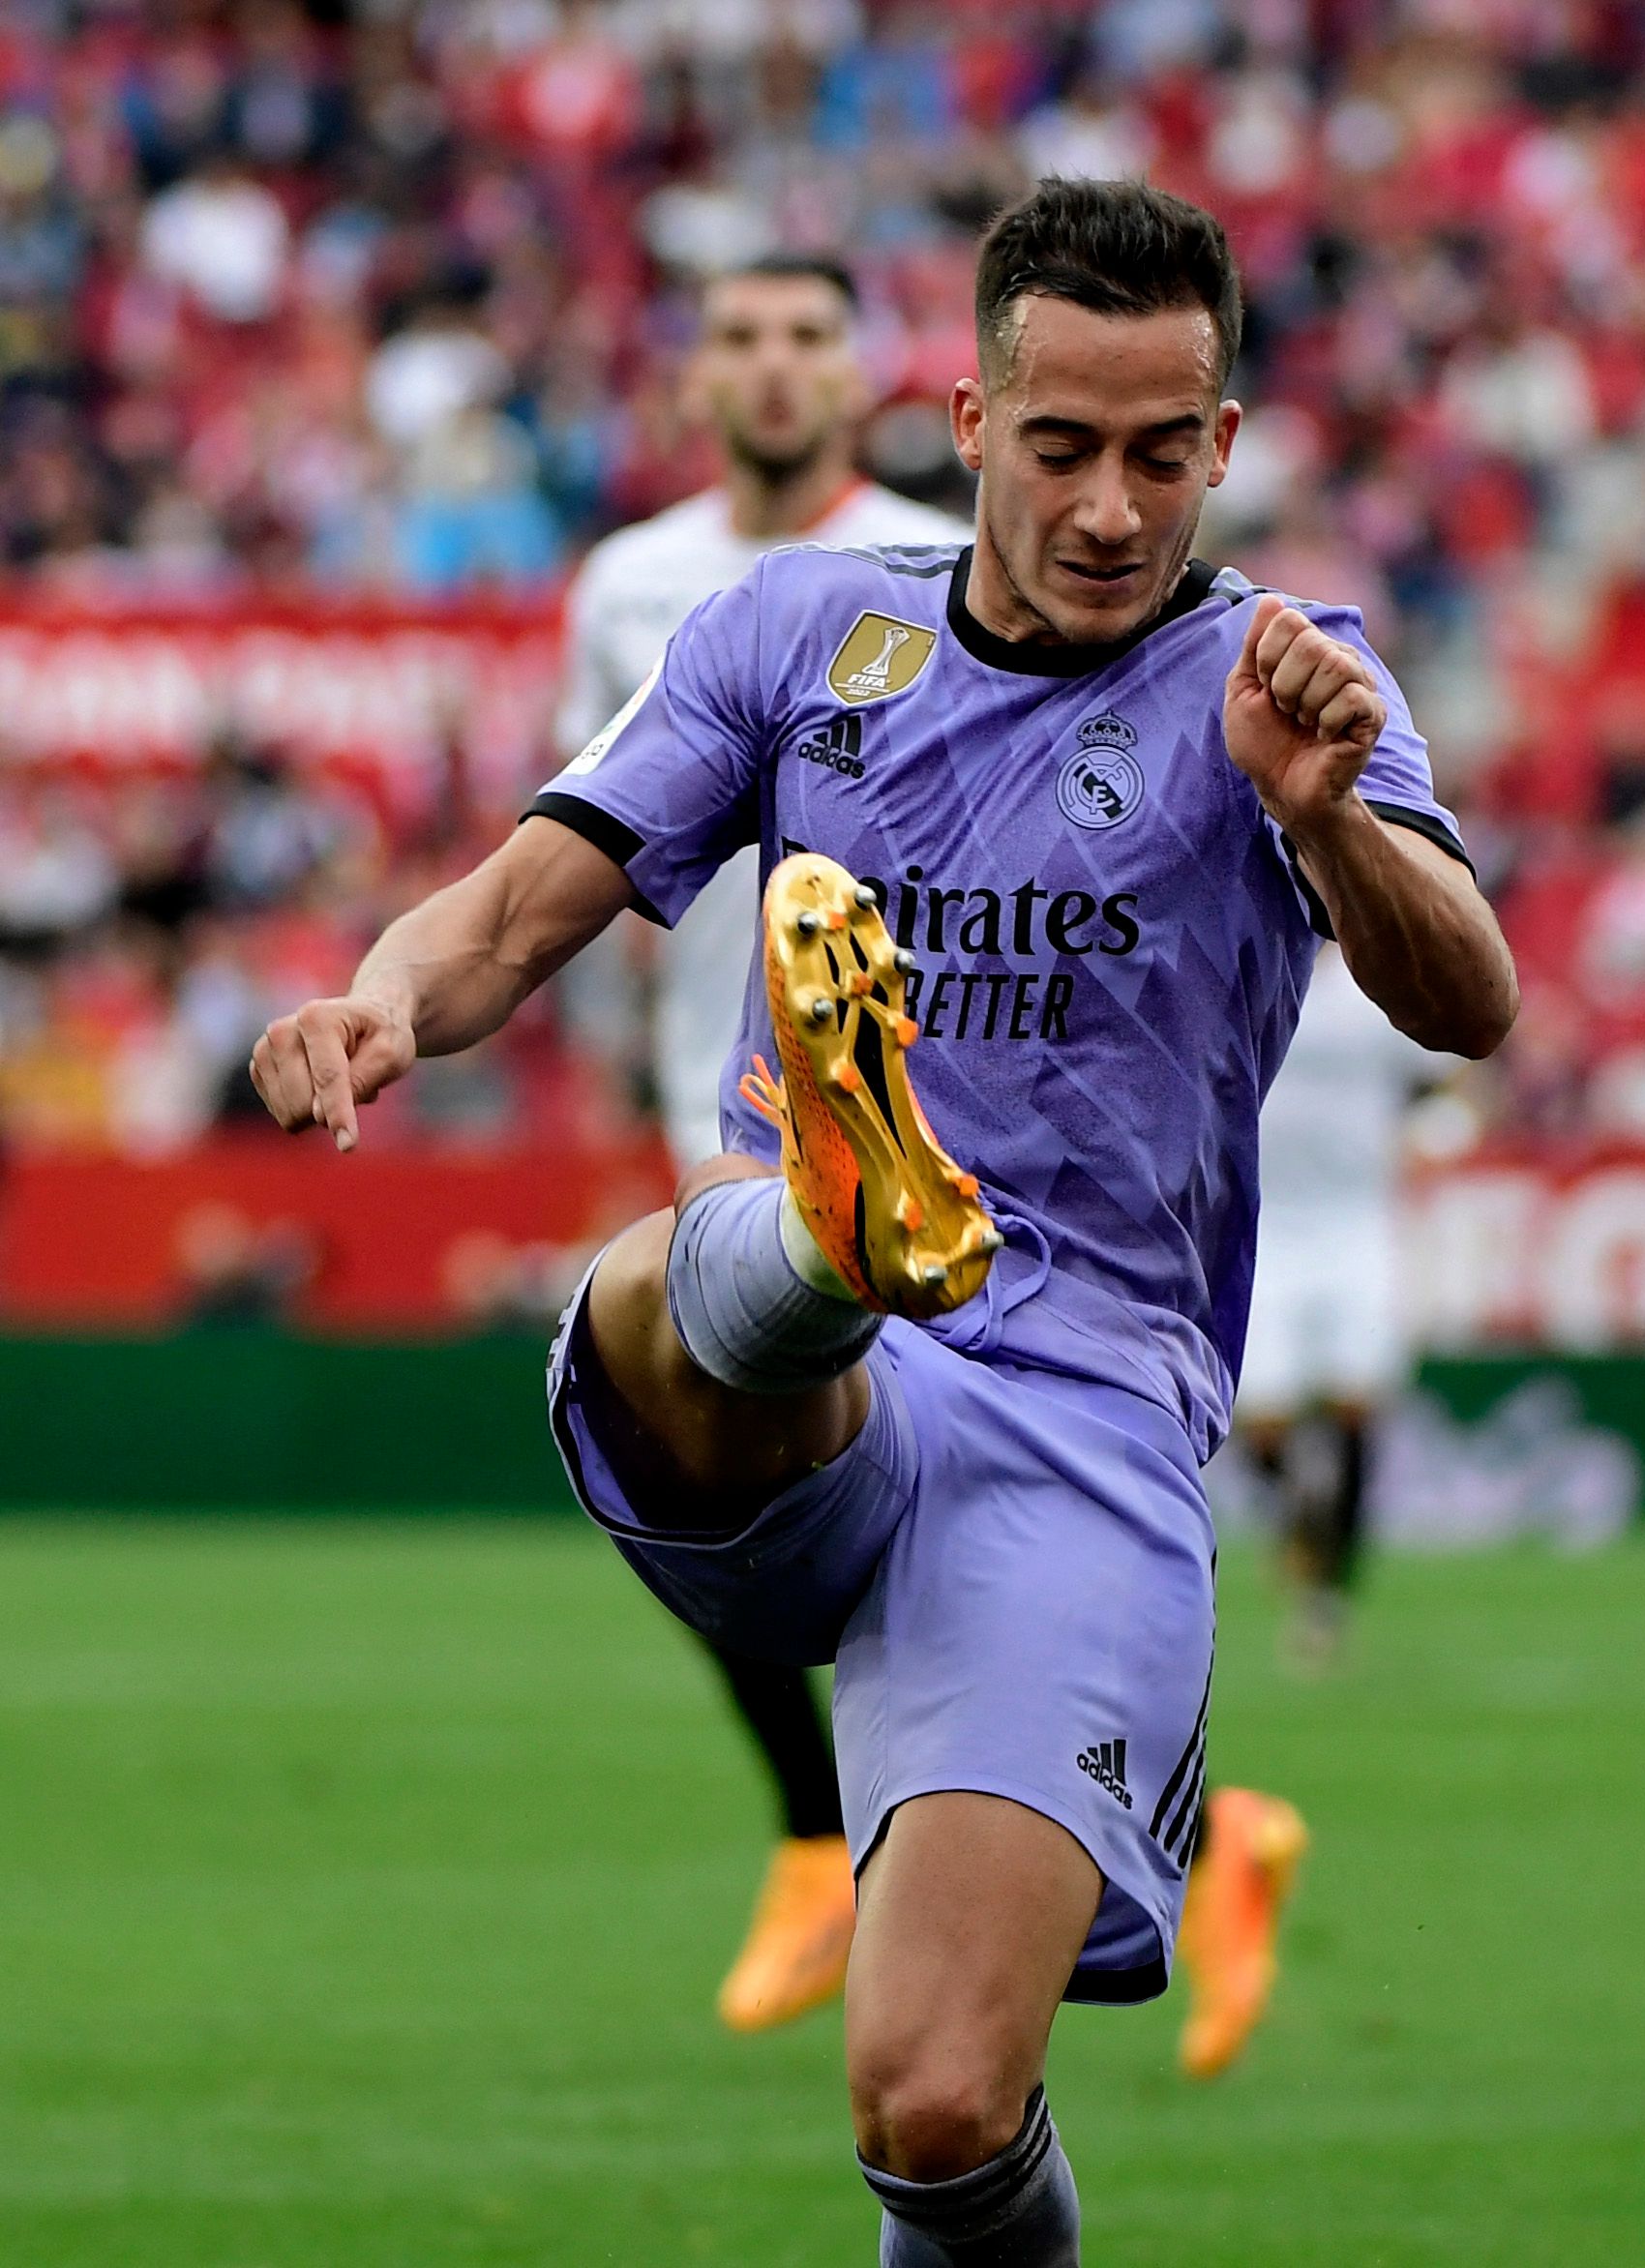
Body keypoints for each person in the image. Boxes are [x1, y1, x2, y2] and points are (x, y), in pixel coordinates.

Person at [252, 180, 1516, 2263]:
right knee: (695, 1271)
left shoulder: (1292, 677)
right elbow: (511, 908)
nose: (1115, 506)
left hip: (1088, 1424)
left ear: (1224, 437)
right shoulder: (795, 634)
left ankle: (838, 1232)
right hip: (818, 1387)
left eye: (1165, 452)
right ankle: (844, 1234)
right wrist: (384, 999)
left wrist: (1320, 815)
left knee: (933, 2097)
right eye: (1062, 447)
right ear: (967, 417)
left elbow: (1468, 995)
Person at [555, 252, 973, 2039]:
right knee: (709, 1470)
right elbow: (592, 820)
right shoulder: (628, 583)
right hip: (704, 1100)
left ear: (863, 368)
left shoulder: (934, 558)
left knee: (953, 1505)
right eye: (741, 331)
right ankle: (825, 1833)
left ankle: (1005, 1846)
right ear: (697, 370)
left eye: (811, 332)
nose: (778, 364)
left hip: (916, 1102)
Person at [1231, 942, 1444, 1676]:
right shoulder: (1244, 968)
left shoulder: (1371, 988)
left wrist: (1430, 1129)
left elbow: (1443, 1072)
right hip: (1269, 1225)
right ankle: (1299, 1513)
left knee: (1358, 1405)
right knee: (1258, 1423)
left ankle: (1327, 1598)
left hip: (1359, 1222)